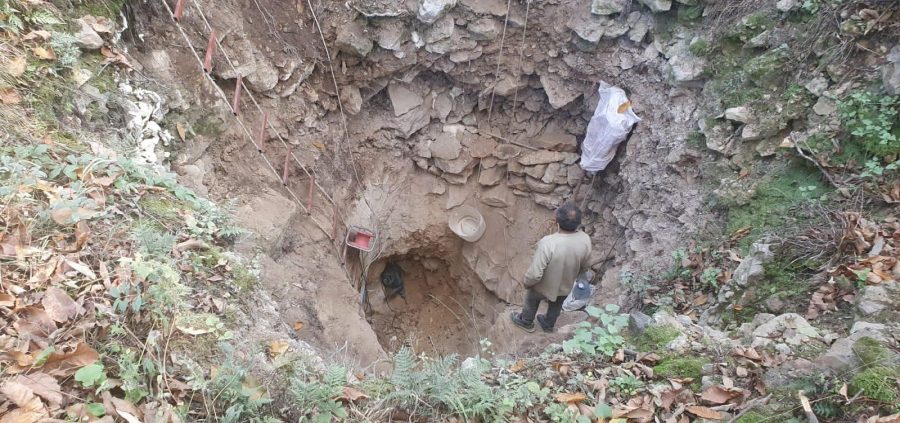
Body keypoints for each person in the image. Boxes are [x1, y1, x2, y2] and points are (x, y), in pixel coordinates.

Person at [511, 202, 592, 333]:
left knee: (532, 299)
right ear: (578, 224)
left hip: (544, 285)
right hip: (566, 283)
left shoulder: (548, 243)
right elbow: (585, 264)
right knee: (557, 304)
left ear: (557, 223)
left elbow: (535, 274)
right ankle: (548, 324)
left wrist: (527, 282)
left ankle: (526, 321)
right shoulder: (585, 239)